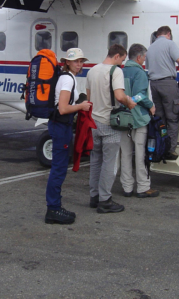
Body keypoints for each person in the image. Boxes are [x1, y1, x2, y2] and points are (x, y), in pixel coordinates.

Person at [86, 44, 136, 214]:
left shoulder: (92, 71)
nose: (122, 64)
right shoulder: (116, 72)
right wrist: (129, 103)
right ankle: (105, 199)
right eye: (122, 60)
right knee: (109, 162)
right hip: (109, 122)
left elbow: (88, 96)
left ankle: (94, 197)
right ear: (116, 56)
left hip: (94, 122)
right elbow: (119, 96)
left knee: (95, 160)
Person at [45, 48, 92, 225]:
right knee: (58, 168)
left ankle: (55, 206)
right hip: (60, 126)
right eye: (76, 61)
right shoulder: (66, 79)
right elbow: (63, 108)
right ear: (67, 62)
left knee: (60, 167)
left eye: (81, 61)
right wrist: (81, 107)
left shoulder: (68, 77)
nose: (79, 64)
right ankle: (53, 209)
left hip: (60, 126)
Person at [120, 44, 159, 198]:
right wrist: (151, 106)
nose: (144, 60)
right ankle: (142, 187)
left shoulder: (120, 71)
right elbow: (139, 95)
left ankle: (127, 187)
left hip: (123, 118)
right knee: (141, 154)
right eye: (144, 57)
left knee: (125, 154)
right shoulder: (140, 73)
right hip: (138, 118)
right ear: (139, 57)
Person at [146, 26, 179, 160]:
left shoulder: (150, 48)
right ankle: (170, 150)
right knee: (173, 117)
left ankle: (160, 146)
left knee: (160, 118)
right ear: (168, 34)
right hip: (168, 83)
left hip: (154, 84)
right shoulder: (170, 43)